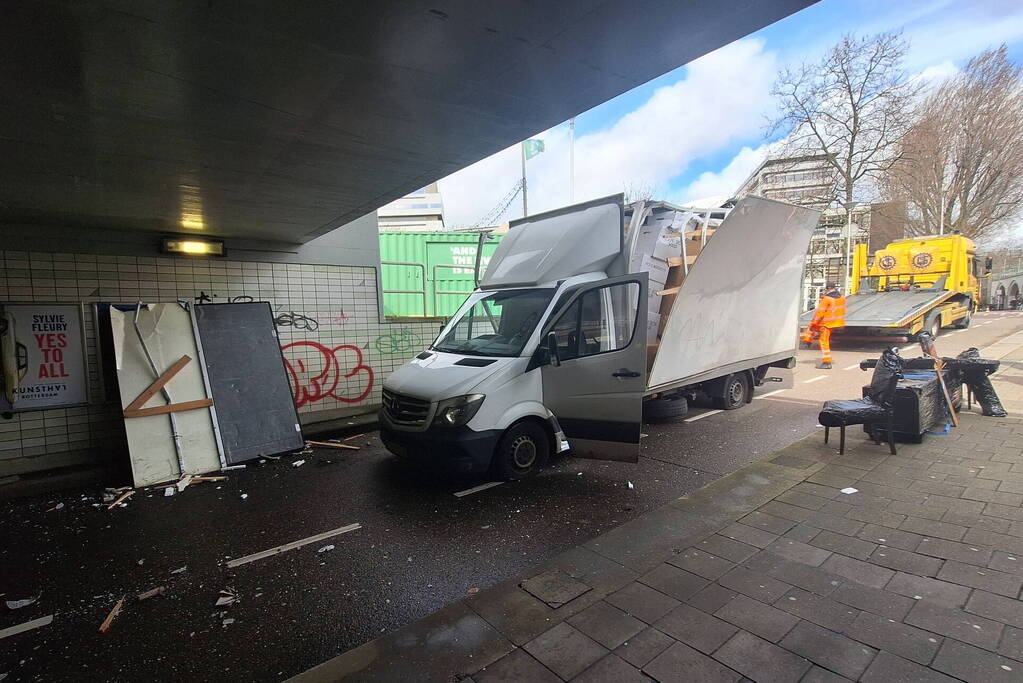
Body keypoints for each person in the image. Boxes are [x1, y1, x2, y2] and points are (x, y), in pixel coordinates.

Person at [800, 284, 846, 369]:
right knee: (812, 328)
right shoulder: (842, 298)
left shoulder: (826, 299)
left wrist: (814, 323)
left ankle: (827, 362)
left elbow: (819, 313)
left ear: (828, 289)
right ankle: (807, 341)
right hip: (837, 322)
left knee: (822, 340)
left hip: (826, 323)